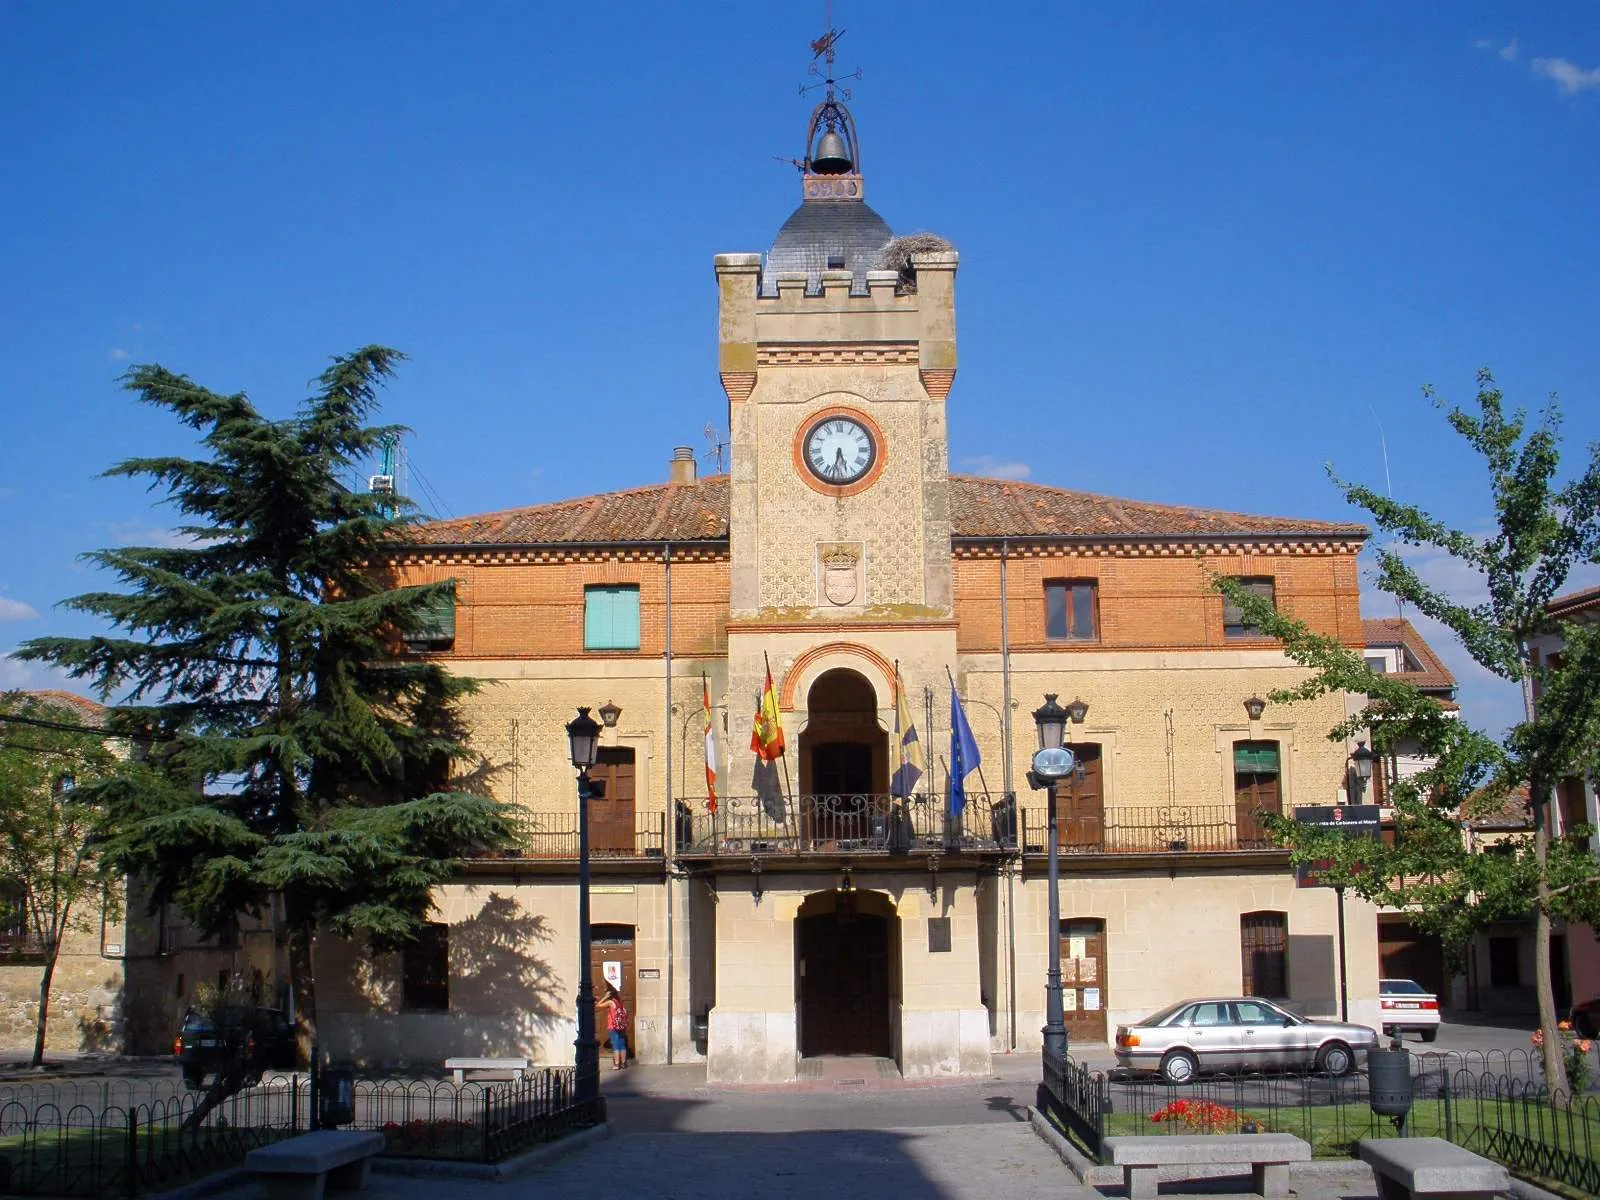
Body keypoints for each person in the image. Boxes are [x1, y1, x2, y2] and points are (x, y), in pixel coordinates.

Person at [597, 982, 629, 1069]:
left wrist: (605, 997)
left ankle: (616, 1064)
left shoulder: (611, 1002)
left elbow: (598, 1005)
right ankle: (623, 1063)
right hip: (621, 1026)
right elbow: (625, 1012)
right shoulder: (619, 1003)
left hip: (613, 1026)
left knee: (615, 1045)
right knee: (622, 1045)